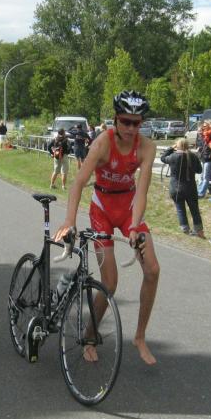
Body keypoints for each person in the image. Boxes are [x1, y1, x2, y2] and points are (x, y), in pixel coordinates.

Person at [54, 90, 160, 365]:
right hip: (102, 208)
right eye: (125, 121)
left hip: (128, 208)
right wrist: (70, 220)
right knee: (110, 282)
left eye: (136, 123)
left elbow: (142, 192)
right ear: (115, 119)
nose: (131, 128)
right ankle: (90, 335)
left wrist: (134, 226)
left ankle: (140, 337)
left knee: (152, 269)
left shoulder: (146, 147)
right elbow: (79, 182)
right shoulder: (103, 142)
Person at [161, 138, 204, 238]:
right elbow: (199, 170)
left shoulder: (173, 156)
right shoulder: (193, 156)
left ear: (177, 146)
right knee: (194, 210)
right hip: (190, 188)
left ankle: (185, 229)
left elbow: (163, 158)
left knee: (180, 209)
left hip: (175, 187)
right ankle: (199, 231)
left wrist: (171, 148)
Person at [196, 120, 211, 197]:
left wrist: (210, 154)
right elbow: (200, 146)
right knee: (201, 176)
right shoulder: (203, 135)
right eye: (203, 126)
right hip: (202, 157)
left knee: (205, 177)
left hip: (209, 158)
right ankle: (198, 191)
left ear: (209, 126)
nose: (203, 128)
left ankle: (201, 193)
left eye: (205, 126)